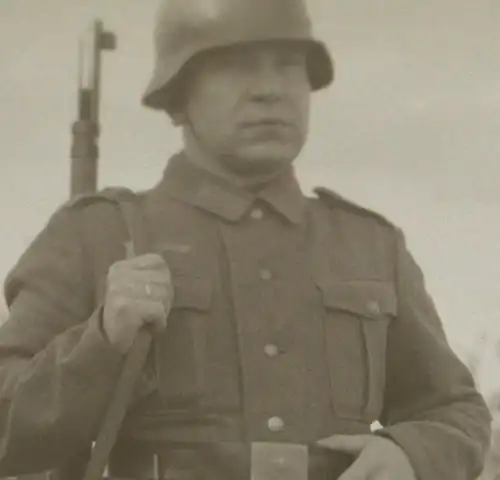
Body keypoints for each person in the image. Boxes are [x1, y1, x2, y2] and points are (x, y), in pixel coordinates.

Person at [0, 0, 492, 479]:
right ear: (177, 97)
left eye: (288, 66)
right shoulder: (98, 235)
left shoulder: (369, 246)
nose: (270, 90)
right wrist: (102, 340)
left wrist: (411, 456)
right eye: (237, 67)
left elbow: (454, 410)